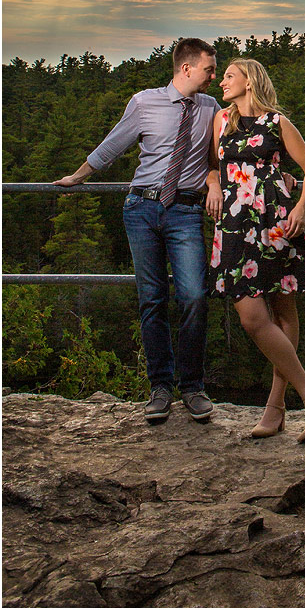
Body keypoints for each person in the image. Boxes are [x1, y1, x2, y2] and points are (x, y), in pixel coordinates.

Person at [54, 37, 221, 425]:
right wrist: (78, 176)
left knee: (194, 296)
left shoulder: (211, 109)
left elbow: (218, 158)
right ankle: (160, 388)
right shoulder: (144, 102)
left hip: (185, 210)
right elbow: (113, 144)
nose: (213, 76)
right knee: (152, 299)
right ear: (186, 68)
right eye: (209, 69)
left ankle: (192, 387)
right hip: (142, 209)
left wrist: (213, 182)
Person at [206, 58, 305, 442]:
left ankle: (276, 407)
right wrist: (214, 184)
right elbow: (212, 165)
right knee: (251, 316)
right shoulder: (221, 121)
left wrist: (301, 207)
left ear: (250, 82)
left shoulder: (278, 123)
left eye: (229, 76)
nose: (222, 83)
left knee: (284, 308)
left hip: (276, 220)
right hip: (233, 225)